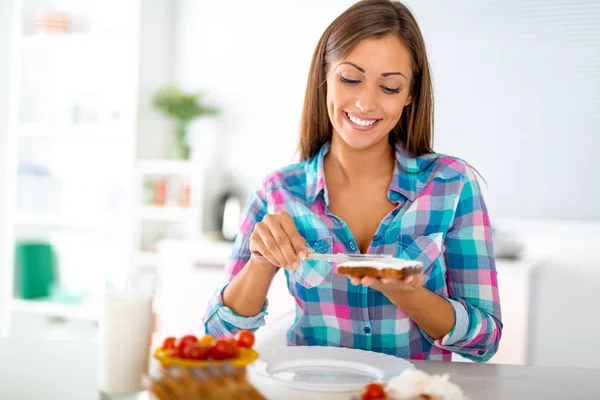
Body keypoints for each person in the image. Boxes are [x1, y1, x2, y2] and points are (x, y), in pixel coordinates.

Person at [203, 0, 502, 362]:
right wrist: (262, 262)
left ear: (410, 95)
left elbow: (485, 340)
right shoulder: (278, 192)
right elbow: (220, 337)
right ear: (325, 76)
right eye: (350, 79)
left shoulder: (451, 184)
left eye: (389, 87)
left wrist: (406, 292)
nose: (365, 103)